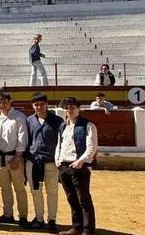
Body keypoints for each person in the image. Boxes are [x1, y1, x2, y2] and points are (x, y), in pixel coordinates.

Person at [56, 97, 98, 235]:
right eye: (67, 108)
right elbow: (59, 145)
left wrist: (81, 161)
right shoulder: (63, 126)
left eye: (73, 107)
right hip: (64, 166)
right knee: (71, 198)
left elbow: (92, 147)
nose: (70, 110)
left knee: (83, 199)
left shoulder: (88, 125)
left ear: (79, 108)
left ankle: (88, 229)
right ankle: (77, 227)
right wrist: (58, 160)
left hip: (79, 166)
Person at [25, 92, 63, 232]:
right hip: (33, 162)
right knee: (36, 191)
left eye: (42, 104)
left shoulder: (57, 121)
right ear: (32, 106)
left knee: (52, 192)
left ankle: (52, 220)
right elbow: (26, 141)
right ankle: (39, 219)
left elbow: (62, 141)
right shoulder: (29, 120)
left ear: (47, 104)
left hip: (51, 162)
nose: (39, 107)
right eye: (36, 105)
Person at [0, 92, 29, 227]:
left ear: (10, 101)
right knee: (5, 188)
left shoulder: (19, 117)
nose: (2, 105)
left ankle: (23, 216)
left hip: (14, 157)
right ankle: (8, 214)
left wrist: (18, 157)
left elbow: (22, 138)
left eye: (5, 102)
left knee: (19, 188)